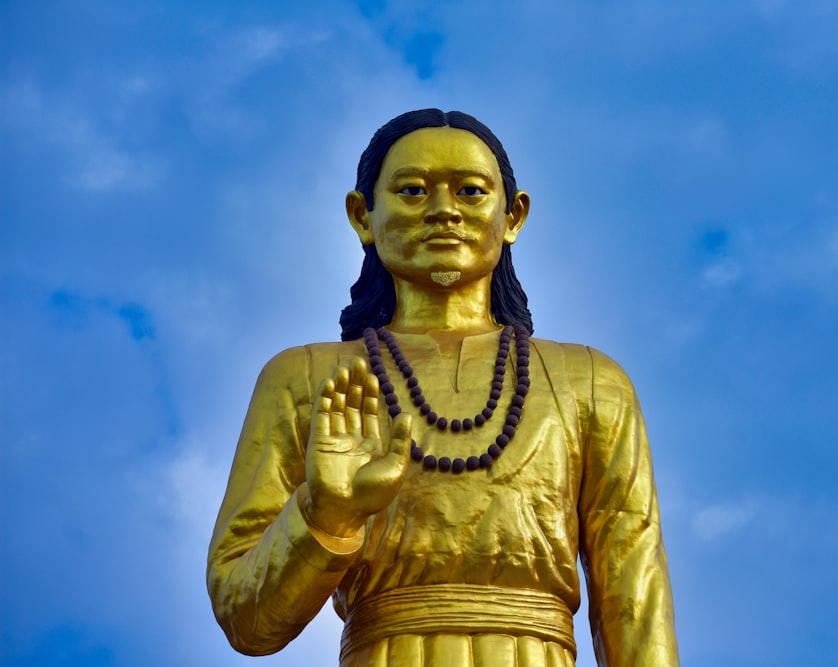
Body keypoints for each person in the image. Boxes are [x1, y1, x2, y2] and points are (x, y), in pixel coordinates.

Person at [207, 109, 679, 666]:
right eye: (411, 190)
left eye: (471, 191)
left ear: (513, 215)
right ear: (363, 215)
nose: (443, 211)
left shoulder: (592, 382)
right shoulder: (308, 378)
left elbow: (635, 594)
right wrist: (327, 513)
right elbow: (247, 621)